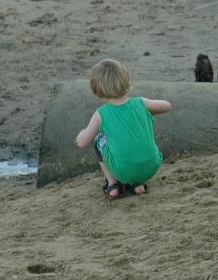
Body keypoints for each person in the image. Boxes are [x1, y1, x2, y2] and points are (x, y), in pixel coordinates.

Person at [74, 59, 172, 199]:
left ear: (97, 89)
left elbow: (82, 142)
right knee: (135, 144)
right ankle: (137, 185)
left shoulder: (101, 114)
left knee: (98, 140)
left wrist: (80, 135)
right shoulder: (140, 103)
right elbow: (167, 106)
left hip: (123, 170)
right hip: (152, 166)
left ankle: (112, 184)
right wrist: (147, 112)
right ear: (126, 81)